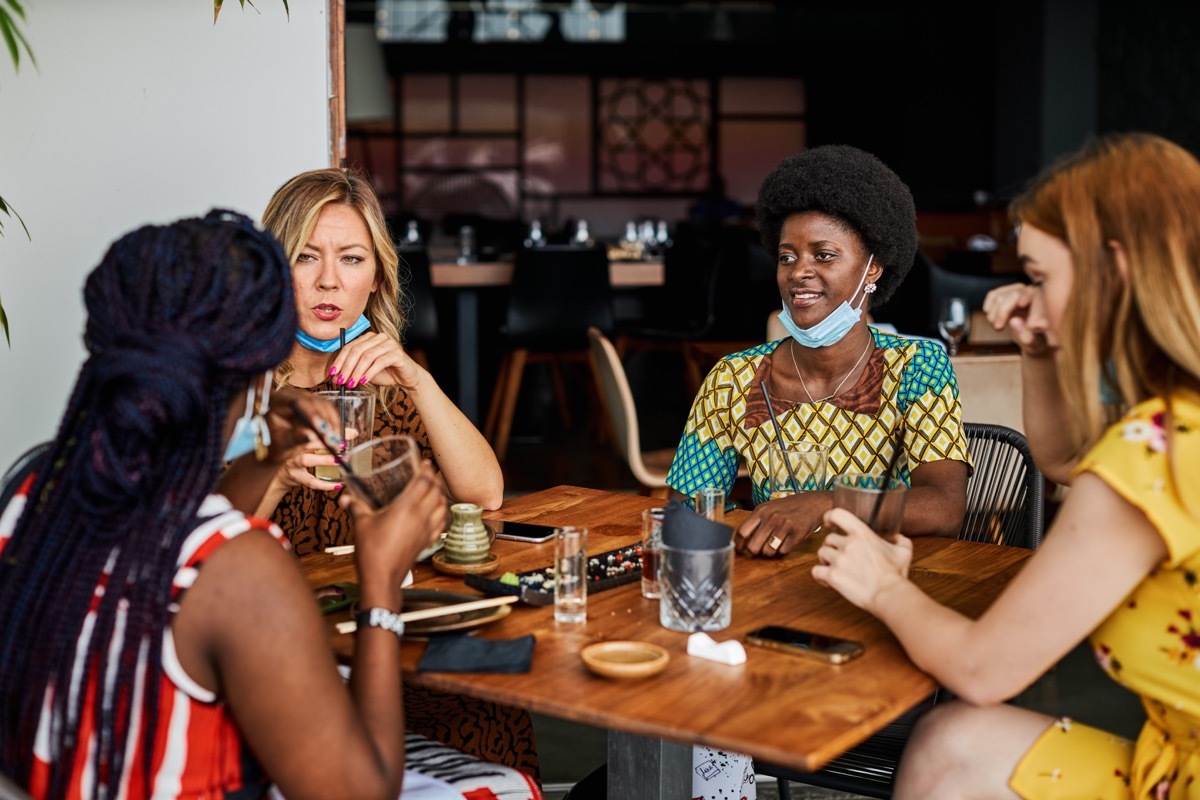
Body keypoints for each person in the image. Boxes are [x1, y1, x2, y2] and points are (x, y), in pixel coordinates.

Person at [0, 211, 541, 799]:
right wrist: (381, 578)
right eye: (307, 258)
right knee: (506, 789)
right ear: (256, 369)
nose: (328, 280)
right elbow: (361, 792)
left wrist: (266, 458)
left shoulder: (33, 490)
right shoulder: (237, 562)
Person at [814, 132, 1200, 799]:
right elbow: (1063, 462)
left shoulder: (1154, 452)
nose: (1029, 297)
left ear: (1115, 270)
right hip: (1176, 754)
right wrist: (1041, 352)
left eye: (1042, 278)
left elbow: (982, 669)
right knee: (950, 745)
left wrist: (884, 588)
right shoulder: (1176, 423)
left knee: (958, 730)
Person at [666, 145, 971, 559]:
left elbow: (944, 506)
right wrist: (750, 524)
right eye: (786, 257)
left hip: (882, 582)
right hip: (774, 580)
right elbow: (687, 509)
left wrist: (824, 504)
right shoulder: (734, 378)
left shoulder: (917, 367)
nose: (798, 273)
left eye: (824, 255)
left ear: (873, 268)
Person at [256, 167, 503, 557]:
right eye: (305, 256)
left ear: (375, 277)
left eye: (351, 259)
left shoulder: (384, 388)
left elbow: (485, 495)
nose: (329, 281)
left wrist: (419, 383)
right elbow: (198, 546)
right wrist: (278, 476)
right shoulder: (237, 388)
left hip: (374, 600)